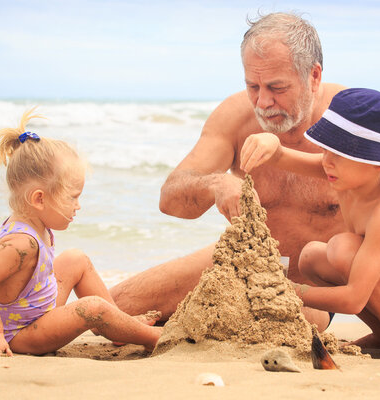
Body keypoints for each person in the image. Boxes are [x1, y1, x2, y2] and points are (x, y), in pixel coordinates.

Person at [109, 12, 346, 331]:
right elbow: (170, 200)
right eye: (253, 86)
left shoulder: (350, 120)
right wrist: (217, 184)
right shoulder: (236, 117)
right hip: (240, 260)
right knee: (114, 310)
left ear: (314, 76)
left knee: (249, 319)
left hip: (313, 291)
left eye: (277, 87)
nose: (263, 101)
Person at [239, 88, 380, 361]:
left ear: (376, 164)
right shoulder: (342, 173)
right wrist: (269, 142)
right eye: (325, 149)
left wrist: (289, 291)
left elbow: (355, 298)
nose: (327, 161)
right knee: (311, 257)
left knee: (344, 248)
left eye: (340, 153)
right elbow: (281, 158)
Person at [0, 109, 161, 357]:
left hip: (40, 313)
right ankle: (155, 338)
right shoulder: (20, 244)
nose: (78, 205)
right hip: (23, 333)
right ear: (39, 199)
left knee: (75, 259)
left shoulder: (35, 225)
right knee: (92, 307)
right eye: (73, 197)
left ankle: (121, 326)